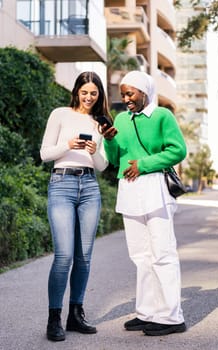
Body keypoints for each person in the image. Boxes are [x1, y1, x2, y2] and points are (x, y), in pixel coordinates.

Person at [103, 70, 187, 336]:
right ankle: (148, 311)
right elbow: (116, 159)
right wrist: (109, 140)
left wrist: (144, 164)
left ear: (145, 92)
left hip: (154, 186)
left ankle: (171, 317)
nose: (126, 98)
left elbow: (177, 150)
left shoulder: (162, 116)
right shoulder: (121, 119)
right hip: (128, 190)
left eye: (131, 93)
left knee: (162, 252)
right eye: (123, 94)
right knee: (140, 256)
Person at [40, 71, 112, 342]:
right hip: (62, 184)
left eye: (94, 93)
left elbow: (103, 167)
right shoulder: (60, 114)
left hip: (90, 187)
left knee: (84, 257)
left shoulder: (99, 122)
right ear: (77, 91)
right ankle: (54, 319)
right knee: (64, 256)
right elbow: (45, 154)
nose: (89, 97)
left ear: (99, 95)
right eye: (85, 92)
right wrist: (67, 144)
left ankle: (75, 315)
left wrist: (94, 152)